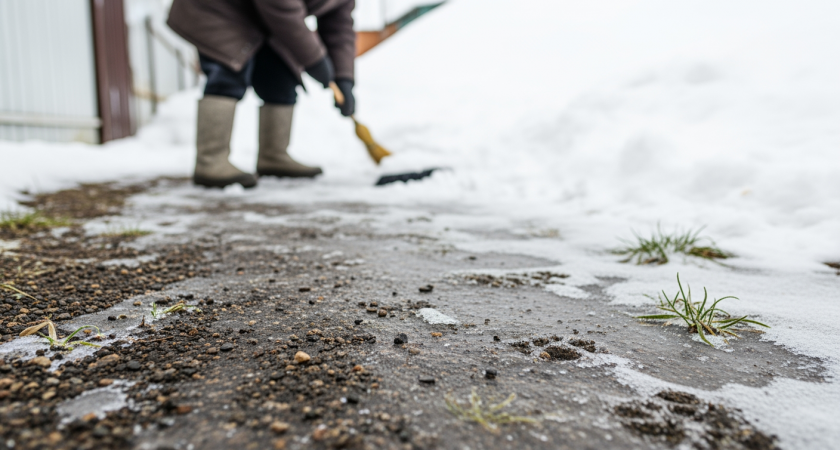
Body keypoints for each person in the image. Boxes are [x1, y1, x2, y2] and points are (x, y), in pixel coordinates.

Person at [167, 0, 357, 188]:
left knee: (281, 76)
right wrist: (315, 60)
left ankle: (273, 156)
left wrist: (344, 78)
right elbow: (281, 8)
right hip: (216, 8)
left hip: (256, 14)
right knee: (228, 74)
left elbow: (339, 28)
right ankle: (210, 161)